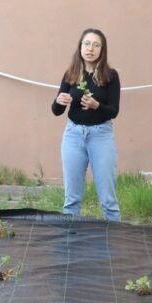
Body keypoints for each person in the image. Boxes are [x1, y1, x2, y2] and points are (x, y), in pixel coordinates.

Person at [52, 28, 122, 221]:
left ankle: (113, 240)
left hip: (101, 135)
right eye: (87, 44)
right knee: (72, 198)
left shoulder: (111, 76)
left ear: (102, 49)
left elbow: (114, 111)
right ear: (80, 47)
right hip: (73, 135)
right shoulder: (71, 74)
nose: (90, 49)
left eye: (96, 45)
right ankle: (69, 239)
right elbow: (56, 111)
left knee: (108, 198)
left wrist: (96, 105)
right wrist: (60, 100)